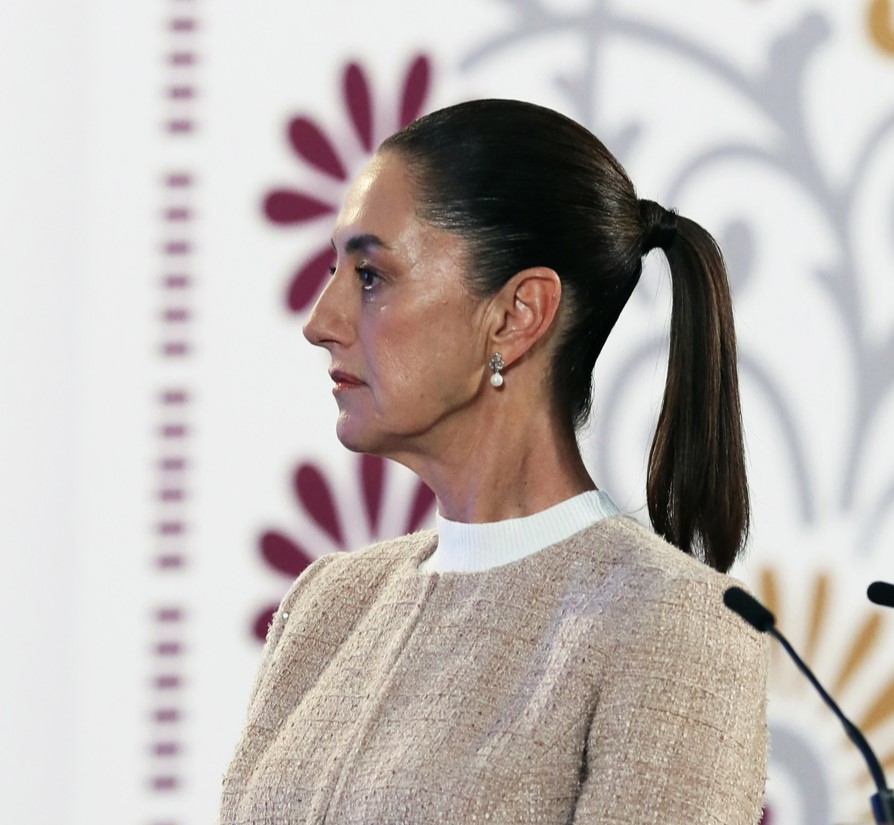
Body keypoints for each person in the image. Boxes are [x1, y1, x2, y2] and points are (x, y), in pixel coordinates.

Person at [218, 99, 767, 825]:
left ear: (516, 314)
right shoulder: (328, 605)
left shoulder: (674, 626)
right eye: (333, 271)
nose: (321, 321)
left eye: (371, 276)